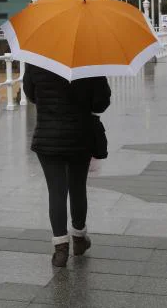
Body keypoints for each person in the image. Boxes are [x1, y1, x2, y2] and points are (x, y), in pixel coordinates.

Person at [23, 64, 111, 268]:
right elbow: (101, 103)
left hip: (48, 134)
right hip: (80, 135)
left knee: (56, 191)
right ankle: (79, 238)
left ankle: (60, 248)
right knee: (78, 187)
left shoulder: (37, 60)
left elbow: (32, 95)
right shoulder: (91, 61)